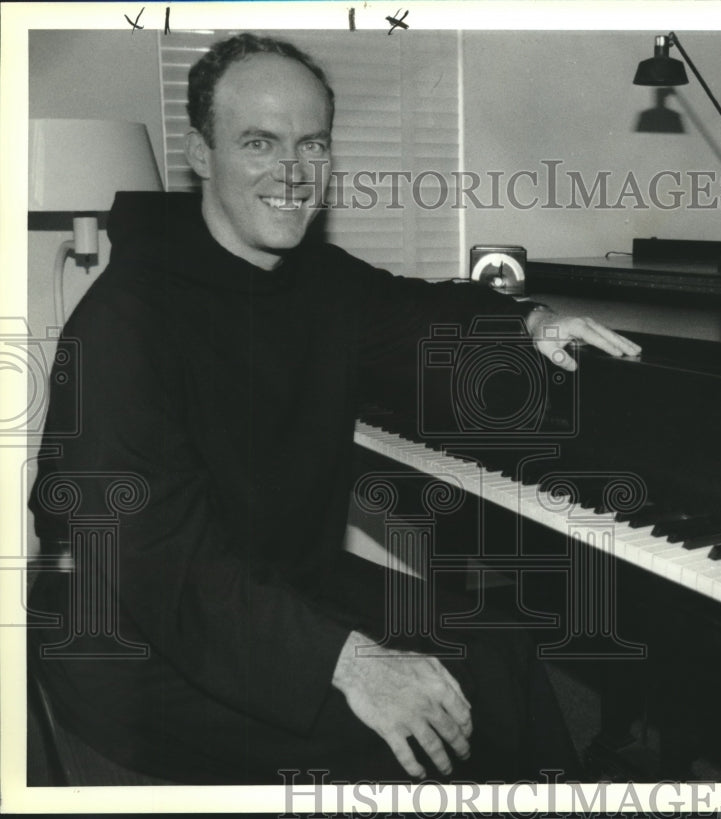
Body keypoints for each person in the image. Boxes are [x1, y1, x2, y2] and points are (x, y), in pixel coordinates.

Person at [27, 33, 641, 785]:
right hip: (131, 633)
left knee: (495, 645)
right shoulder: (122, 321)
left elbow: (419, 311)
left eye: (312, 144)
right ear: (200, 154)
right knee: (406, 734)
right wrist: (349, 661)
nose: (292, 172)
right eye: (259, 142)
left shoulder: (315, 278)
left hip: (276, 579)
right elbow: (163, 564)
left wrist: (531, 320)